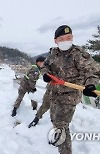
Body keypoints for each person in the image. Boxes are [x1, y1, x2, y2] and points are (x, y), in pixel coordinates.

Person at [41, 25, 99, 154]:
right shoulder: (53, 53)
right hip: (54, 92)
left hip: (70, 95)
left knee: (62, 125)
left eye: (69, 38)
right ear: (55, 41)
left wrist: (91, 85)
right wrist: (45, 74)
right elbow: (45, 66)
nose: (66, 41)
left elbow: (92, 72)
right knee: (54, 119)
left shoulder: (78, 54)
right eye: (62, 39)